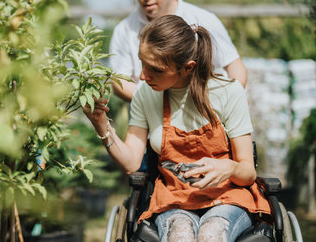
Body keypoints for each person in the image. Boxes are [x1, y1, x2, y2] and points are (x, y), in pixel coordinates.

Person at [83, 15, 270, 241]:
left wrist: (229, 168)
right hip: (173, 198)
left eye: (156, 69)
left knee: (211, 232)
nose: (143, 76)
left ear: (186, 68)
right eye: (142, 63)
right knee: (180, 234)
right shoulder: (146, 94)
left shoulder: (228, 93)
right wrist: (101, 124)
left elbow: (248, 172)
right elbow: (132, 163)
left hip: (227, 197)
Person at [109, 0, 247, 102]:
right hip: (149, 123)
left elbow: (235, 67)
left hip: (205, 117)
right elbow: (119, 82)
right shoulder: (124, 30)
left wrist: (229, 105)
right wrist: (155, 108)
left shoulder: (203, 19)